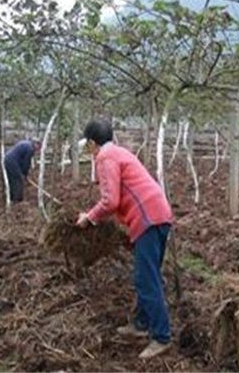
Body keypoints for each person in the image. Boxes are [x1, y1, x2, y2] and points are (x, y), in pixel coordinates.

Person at [76, 119, 173, 359]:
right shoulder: (119, 152)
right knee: (147, 274)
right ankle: (141, 324)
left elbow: (111, 201)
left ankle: (162, 337)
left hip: (147, 218)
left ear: (91, 143)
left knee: (145, 278)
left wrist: (89, 217)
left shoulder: (105, 157)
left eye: (87, 146)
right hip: (158, 214)